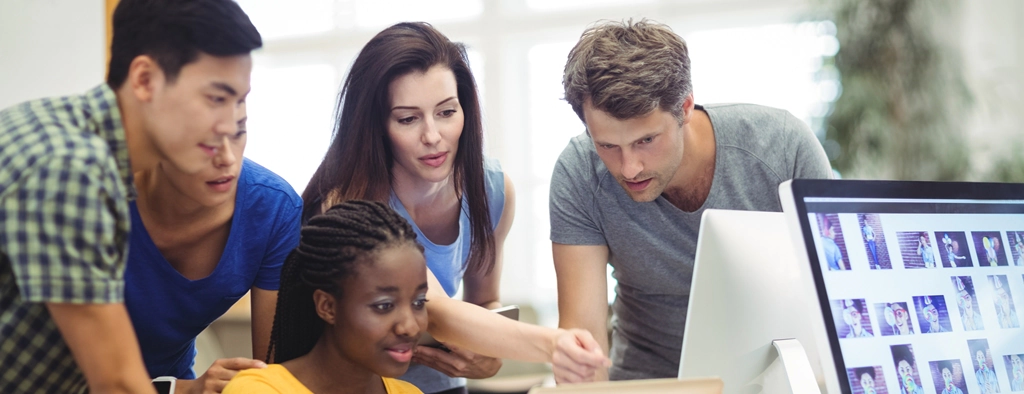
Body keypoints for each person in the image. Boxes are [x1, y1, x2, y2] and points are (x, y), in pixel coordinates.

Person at [300, 22, 608, 388]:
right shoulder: (349, 202)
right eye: (408, 119)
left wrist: (488, 357)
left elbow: (484, 302)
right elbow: (437, 312)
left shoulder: (492, 190)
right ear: (376, 126)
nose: (433, 136)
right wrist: (552, 344)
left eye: (447, 112)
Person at [549, 19, 833, 381]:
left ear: (684, 107)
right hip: (649, 383)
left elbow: (838, 303)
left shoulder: (782, 149)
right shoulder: (580, 173)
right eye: (607, 145)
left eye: (646, 141)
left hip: (777, 381)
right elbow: (582, 352)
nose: (630, 168)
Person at [0, 0, 260, 392]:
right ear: (144, 79)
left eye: (239, 102)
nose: (229, 126)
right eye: (215, 98)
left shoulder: (65, 129)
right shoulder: (72, 167)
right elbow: (117, 383)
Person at [125, 100, 302, 392]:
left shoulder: (273, 208)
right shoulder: (94, 197)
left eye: (238, 131)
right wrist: (182, 390)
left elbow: (272, 377)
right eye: (205, 142)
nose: (228, 159)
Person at [224, 201, 425, 393]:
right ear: (327, 306)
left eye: (419, 302)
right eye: (384, 306)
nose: (410, 327)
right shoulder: (258, 390)